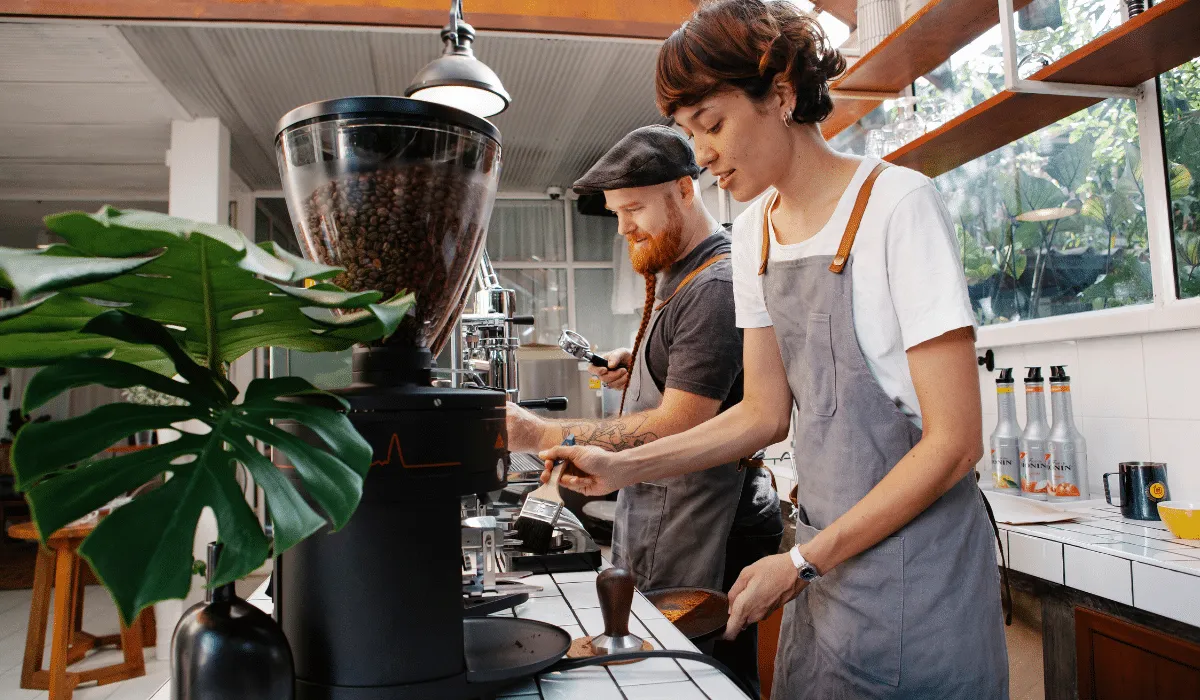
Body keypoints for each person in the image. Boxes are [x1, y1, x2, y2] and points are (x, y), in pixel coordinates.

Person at [536, 1, 1009, 697]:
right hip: (826, 562)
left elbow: (956, 443)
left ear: (781, 95)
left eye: (713, 124)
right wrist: (620, 468)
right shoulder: (754, 233)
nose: (702, 154)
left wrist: (801, 563)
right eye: (689, 132)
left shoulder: (896, 205)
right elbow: (762, 415)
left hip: (919, 564)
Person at [505, 124, 782, 696]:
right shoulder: (680, 272)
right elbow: (698, 379)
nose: (623, 226)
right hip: (668, 511)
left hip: (711, 520)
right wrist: (640, 365)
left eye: (633, 209)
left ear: (684, 189)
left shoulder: (714, 284)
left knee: (706, 681)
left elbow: (682, 422)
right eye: (616, 213)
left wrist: (539, 433)